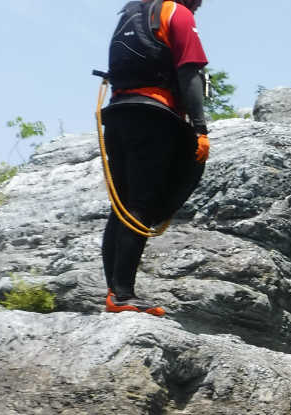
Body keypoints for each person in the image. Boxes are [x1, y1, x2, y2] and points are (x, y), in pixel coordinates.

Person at [100, 0, 211, 317]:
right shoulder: (177, 13)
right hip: (153, 116)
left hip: (119, 114)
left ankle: (115, 293)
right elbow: (190, 72)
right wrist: (200, 129)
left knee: (122, 205)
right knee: (141, 204)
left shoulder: (132, 13)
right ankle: (123, 295)